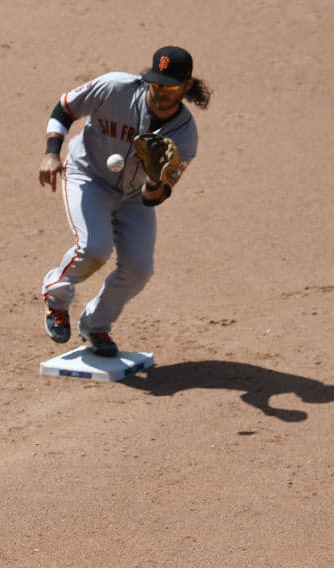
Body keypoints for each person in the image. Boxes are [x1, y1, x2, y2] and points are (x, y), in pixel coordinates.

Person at [38, 46, 211, 356]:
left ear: (186, 86)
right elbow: (65, 107)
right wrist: (52, 153)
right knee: (94, 248)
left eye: (169, 87)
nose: (160, 92)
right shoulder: (115, 87)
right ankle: (56, 300)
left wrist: (157, 178)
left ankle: (96, 325)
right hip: (87, 175)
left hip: (133, 196)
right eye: (155, 83)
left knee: (139, 269)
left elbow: (152, 199)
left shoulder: (184, 137)